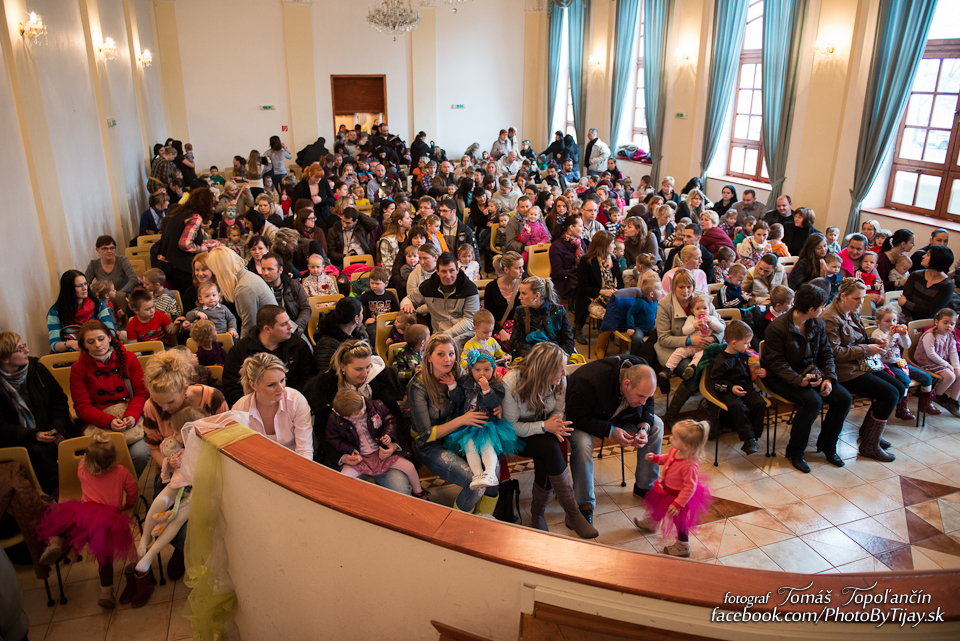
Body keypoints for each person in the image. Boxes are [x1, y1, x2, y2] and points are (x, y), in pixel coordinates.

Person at [142, 349, 228, 580]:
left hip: (209, 472)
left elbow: (226, 439)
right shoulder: (152, 407)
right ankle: (183, 550)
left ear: (184, 389)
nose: (164, 409)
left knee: (213, 522)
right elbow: (153, 446)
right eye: (158, 403)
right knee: (176, 527)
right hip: (175, 476)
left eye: (170, 402)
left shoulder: (212, 398)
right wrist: (171, 467)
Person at [500, 343, 596, 537]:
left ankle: (541, 514)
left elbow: (558, 411)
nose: (565, 373)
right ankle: (568, 514)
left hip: (543, 430)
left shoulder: (560, 380)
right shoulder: (511, 382)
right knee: (549, 448)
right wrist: (544, 426)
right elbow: (511, 427)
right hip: (515, 437)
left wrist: (551, 423)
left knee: (548, 448)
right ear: (543, 369)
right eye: (560, 369)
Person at [36, 434, 140, 609]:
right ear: (114, 458)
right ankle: (106, 591)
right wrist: (129, 504)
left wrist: (91, 449)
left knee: (66, 520)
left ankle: (56, 541)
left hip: (86, 514)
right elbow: (132, 490)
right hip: (108, 520)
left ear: (88, 459)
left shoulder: (83, 470)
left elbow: (85, 458)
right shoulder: (121, 471)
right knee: (104, 556)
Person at [760, 283, 850, 472]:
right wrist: (798, 380)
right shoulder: (777, 327)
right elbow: (776, 363)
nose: (823, 309)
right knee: (812, 401)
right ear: (811, 309)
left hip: (809, 372)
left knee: (843, 398)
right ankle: (795, 452)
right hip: (778, 376)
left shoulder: (817, 323)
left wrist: (828, 378)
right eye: (822, 306)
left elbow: (826, 353)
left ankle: (827, 446)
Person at [407, 335, 500, 514]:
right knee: (474, 483)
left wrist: (498, 405)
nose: (447, 359)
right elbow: (425, 434)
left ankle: (484, 519)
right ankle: (461, 523)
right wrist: (462, 420)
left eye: (451, 353)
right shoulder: (417, 386)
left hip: (461, 435)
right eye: (440, 354)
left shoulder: (459, 375)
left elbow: (483, 391)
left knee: (493, 471)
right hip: (430, 444)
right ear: (429, 357)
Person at [566, 356, 663, 520]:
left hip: (619, 416)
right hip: (585, 418)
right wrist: (610, 431)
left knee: (656, 426)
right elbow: (575, 416)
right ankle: (584, 505)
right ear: (627, 384)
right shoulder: (590, 380)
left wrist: (644, 427)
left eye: (646, 397)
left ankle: (645, 487)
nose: (643, 401)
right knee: (583, 445)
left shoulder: (642, 371)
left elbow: (648, 401)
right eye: (640, 396)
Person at [822, 278, 905, 463]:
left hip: (859, 363)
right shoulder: (830, 318)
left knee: (899, 388)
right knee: (890, 394)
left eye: (863, 298)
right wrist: (868, 349)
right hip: (843, 369)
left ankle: (869, 434)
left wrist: (874, 342)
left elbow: (858, 338)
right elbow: (834, 353)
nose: (861, 302)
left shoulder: (851, 311)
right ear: (843, 296)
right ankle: (869, 445)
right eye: (857, 298)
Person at [70, 320, 150, 477]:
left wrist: (132, 415)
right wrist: (108, 421)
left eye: (101, 339)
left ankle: (126, 484)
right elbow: (82, 406)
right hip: (100, 420)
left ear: (109, 337)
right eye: (90, 342)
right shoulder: (78, 369)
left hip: (129, 414)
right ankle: (112, 487)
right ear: (84, 345)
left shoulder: (128, 358)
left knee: (140, 454)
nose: (97, 345)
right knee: (102, 458)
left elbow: (141, 392)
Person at [0, 332, 72, 493]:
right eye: (20, 349)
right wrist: (34, 435)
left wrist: (57, 426)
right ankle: (60, 492)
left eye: (24, 346)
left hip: (50, 427)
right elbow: (2, 428)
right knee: (38, 451)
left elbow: (59, 401)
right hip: (20, 438)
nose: (27, 351)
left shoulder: (37, 369)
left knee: (75, 440)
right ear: (5, 358)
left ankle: (81, 486)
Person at [327, 389, 428, 498]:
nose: (358, 416)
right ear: (340, 414)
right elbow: (333, 438)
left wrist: (388, 435)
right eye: (352, 416)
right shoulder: (335, 419)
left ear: (363, 401)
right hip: (359, 459)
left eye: (360, 411)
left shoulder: (376, 406)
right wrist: (349, 449)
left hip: (382, 454)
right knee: (342, 479)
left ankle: (418, 492)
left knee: (409, 467)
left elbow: (389, 421)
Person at [632, 420, 712, 558]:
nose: (670, 438)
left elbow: (689, 487)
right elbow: (668, 458)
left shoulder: (689, 465)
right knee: (658, 506)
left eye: (674, 438)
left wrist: (678, 503)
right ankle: (652, 522)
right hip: (666, 490)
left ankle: (683, 545)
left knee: (679, 521)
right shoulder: (676, 450)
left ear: (686, 445)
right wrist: (656, 458)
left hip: (679, 497)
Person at [445, 350, 521, 489]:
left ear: (493, 369)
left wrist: (486, 390)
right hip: (468, 424)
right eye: (477, 369)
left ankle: (490, 474)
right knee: (470, 447)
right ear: (471, 370)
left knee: (487, 446)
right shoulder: (465, 382)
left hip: (488, 424)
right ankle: (477, 475)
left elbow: (494, 403)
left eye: (486, 369)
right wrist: (452, 385)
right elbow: (458, 399)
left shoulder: (496, 386)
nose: (482, 373)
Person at [657, 270, 723, 427]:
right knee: (695, 374)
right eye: (681, 287)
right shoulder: (665, 305)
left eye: (689, 287)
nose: (686, 291)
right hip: (674, 349)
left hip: (703, 346)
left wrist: (713, 339)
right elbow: (663, 338)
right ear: (674, 287)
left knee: (714, 371)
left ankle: (713, 419)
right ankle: (671, 414)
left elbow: (720, 324)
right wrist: (689, 340)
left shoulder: (701, 299)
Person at [222, 305, 316, 406]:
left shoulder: (298, 345)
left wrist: (291, 403)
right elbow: (231, 387)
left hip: (293, 404)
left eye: (288, 322)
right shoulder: (240, 350)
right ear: (267, 329)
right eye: (284, 324)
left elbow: (309, 380)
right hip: (252, 408)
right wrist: (254, 407)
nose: (290, 326)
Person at [233, 353, 312, 459]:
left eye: (282, 380)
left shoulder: (296, 401)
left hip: (293, 462)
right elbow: (240, 451)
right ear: (253, 385)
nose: (281, 388)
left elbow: (304, 450)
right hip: (257, 463)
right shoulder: (240, 408)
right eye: (271, 384)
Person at [711, 321, 768, 453]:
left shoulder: (745, 355)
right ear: (734, 342)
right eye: (746, 343)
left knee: (760, 403)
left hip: (745, 387)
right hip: (728, 390)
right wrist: (731, 388)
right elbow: (715, 381)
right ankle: (748, 439)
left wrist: (761, 372)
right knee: (737, 406)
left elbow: (750, 374)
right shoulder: (720, 360)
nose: (749, 345)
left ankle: (754, 436)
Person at [872, 306, 937, 419]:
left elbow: (907, 345)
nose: (891, 324)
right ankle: (902, 408)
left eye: (894, 320)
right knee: (904, 380)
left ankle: (926, 405)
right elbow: (882, 351)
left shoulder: (897, 333)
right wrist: (890, 336)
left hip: (899, 362)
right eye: (887, 321)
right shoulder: (877, 335)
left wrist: (904, 335)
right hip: (886, 364)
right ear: (878, 322)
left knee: (926, 377)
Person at [156, 186, 217, 292]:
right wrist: (201, 249)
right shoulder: (195, 217)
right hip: (180, 267)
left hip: (167, 263)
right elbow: (185, 244)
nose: (213, 208)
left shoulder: (181, 212)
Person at [205, 246, 275, 338]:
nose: (214, 274)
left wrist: (241, 346)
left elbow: (250, 326)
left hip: (272, 336)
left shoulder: (244, 288)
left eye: (214, 270)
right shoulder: (246, 277)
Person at [47, 270, 116, 353]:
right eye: (79, 285)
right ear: (69, 289)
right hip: (71, 353)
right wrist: (70, 344)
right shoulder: (56, 311)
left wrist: (94, 341)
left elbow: (110, 331)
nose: (84, 288)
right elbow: (54, 344)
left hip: (99, 349)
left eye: (85, 284)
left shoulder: (98, 304)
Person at [416, 252, 480, 340]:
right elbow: (410, 299)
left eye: (451, 271)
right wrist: (407, 305)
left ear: (457, 270)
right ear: (437, 272)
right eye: (443, 271)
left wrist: (446, 334)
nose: (448, 276)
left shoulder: (469, 288)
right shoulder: (427, 287)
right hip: (438, 335)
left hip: (464, 336)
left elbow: (470, 320)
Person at [662, 293, 725, 379]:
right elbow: (684, 331)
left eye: (705, 308)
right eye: (698, 309)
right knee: (678, 352)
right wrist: (694, 326)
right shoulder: (691, 319)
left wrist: (711, 323)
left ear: (709, 309)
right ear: (692, 310)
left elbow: (721, 329)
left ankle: (691, 368)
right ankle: (668, 369)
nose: (701, 311)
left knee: (699, 356)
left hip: (704, 347)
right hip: (691, 345)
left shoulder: (712, 319)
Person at [914, 308, 960, 417]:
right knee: (950, 376)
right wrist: (947, 365)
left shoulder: (950, 336)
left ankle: (952, 401)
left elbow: (953, 353)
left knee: (958, 373)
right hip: (927, 362)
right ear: (936, 322)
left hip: (940, 363)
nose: (949, 326)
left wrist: (956, 366)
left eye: (952, 324)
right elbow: (931, 354)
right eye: (945, 322)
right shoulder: (930, 335)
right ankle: (937, 396)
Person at [899, 245, 955, 321]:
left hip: (929, 322)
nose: (923, 256)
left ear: (936, 260)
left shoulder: (948, 285)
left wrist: (906, 303)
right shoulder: (915, 275)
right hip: (907, 318)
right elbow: (903, 303)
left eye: (928, 255)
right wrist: (909, 322)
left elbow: (930, 311)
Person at [259, 252, 311, 335]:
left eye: (270, 269)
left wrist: (296, 328)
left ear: (280, 270)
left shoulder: (293, 285)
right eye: (263, 269)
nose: (265, 273)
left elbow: (306, 308)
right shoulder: (259, 289)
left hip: (294, 329)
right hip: (271, 333)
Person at [483, 252, 524, 347]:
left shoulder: (525, 283)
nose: (522, 270)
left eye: (522, 267)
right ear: (506, 270)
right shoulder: (491, 288)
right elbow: (490, 316)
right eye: (518, 268)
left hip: (521, 329)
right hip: (499, 330)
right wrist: (500, 331)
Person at [85, 235, 139, 299]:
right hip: (104, 299)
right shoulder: (94, 264)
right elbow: (85, 284)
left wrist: (116, 294)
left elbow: (134, 280)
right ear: (97, 250)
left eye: (112, 248)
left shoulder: (122, 260)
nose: (109, 251)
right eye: (105, 248)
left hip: (123, 297)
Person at [549, 214, 586, 299]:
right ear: (571, 227)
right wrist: (574, 272)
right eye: (580, 226)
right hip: (565, 282)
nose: (583, 229)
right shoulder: (556, 246)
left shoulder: (581, 242)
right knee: (586, 292)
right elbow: (556, 272)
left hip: (579, 278)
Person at [290, 162, 336, 230]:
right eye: (316, 177)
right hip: (307, 218)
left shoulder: (324, 182)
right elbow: (294, 205)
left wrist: (321, 200)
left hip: (323, 216)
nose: (318, 179)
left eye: (320, 177)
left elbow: (332, 199)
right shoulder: (300, 187)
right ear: (310, 174)